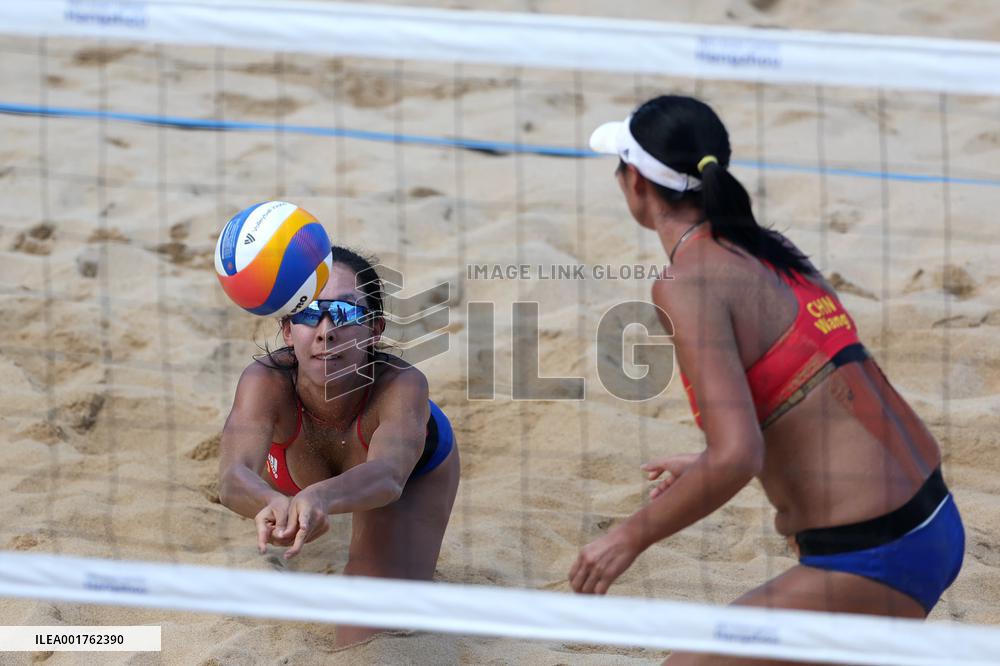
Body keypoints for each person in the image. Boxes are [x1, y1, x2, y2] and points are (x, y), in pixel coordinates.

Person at [570, 96, 964, 664]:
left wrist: (626, 537)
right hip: (935, 518)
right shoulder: (776, 251)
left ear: (634, 182)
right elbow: (815, 389)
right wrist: (706, 461)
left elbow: (738, 457)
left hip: (874, 551)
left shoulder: (684, 282)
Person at [218, 245, 460, 647]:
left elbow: (388, 476)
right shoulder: (265, 381)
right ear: (287, 330)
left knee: (367, 630)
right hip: (322, 475)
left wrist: (318, 497)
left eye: (346, 312)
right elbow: (232, 478)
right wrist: (269, 502)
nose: (326, 329)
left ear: (375, 329)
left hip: (412, 474)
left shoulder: (402, 385)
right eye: (309, 312)